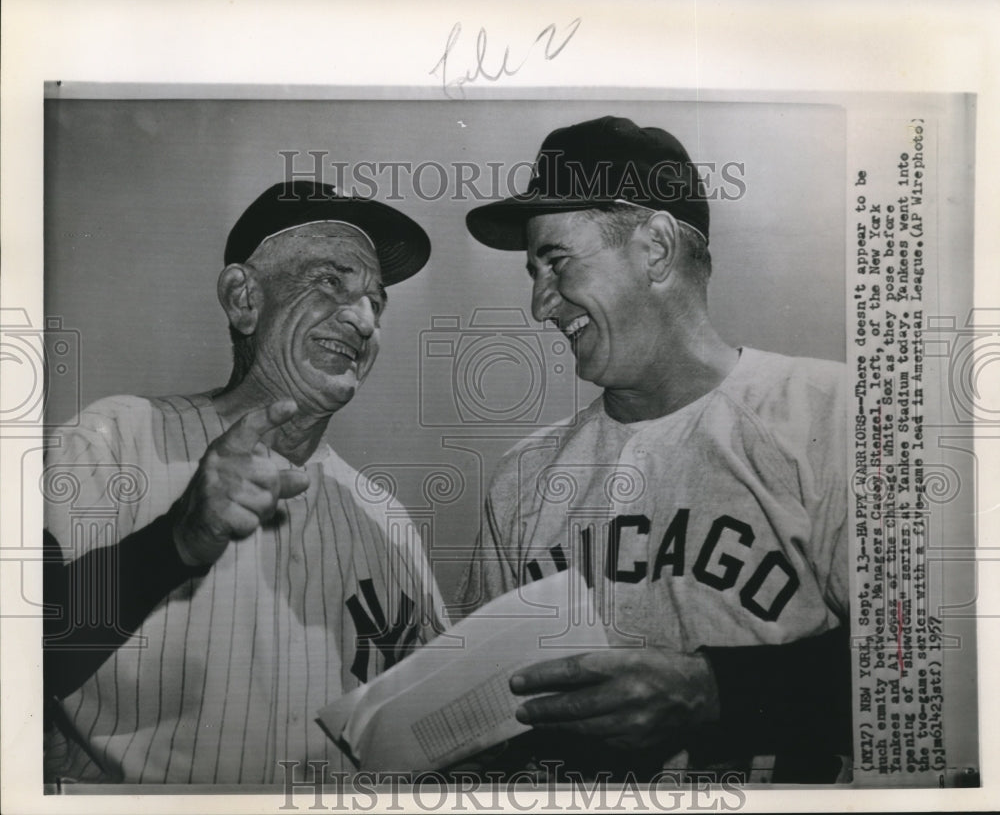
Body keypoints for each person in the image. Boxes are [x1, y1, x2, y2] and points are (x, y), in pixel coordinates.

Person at [459, 116, 851, 783]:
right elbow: (474, 723)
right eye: (533, 272)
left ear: (657, 249)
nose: (539, 304)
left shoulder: (830, 412)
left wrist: (714, 691)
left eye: (556, 262)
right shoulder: (523, 480)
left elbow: (929, 668)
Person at [42, 181, 447, 785]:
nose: (363, 321)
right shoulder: (114, 438)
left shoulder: (382, 516)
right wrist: (175, 541)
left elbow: (436, 721)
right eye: (331, 281)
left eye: (376, 303)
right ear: (243, 299)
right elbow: (23, 659)